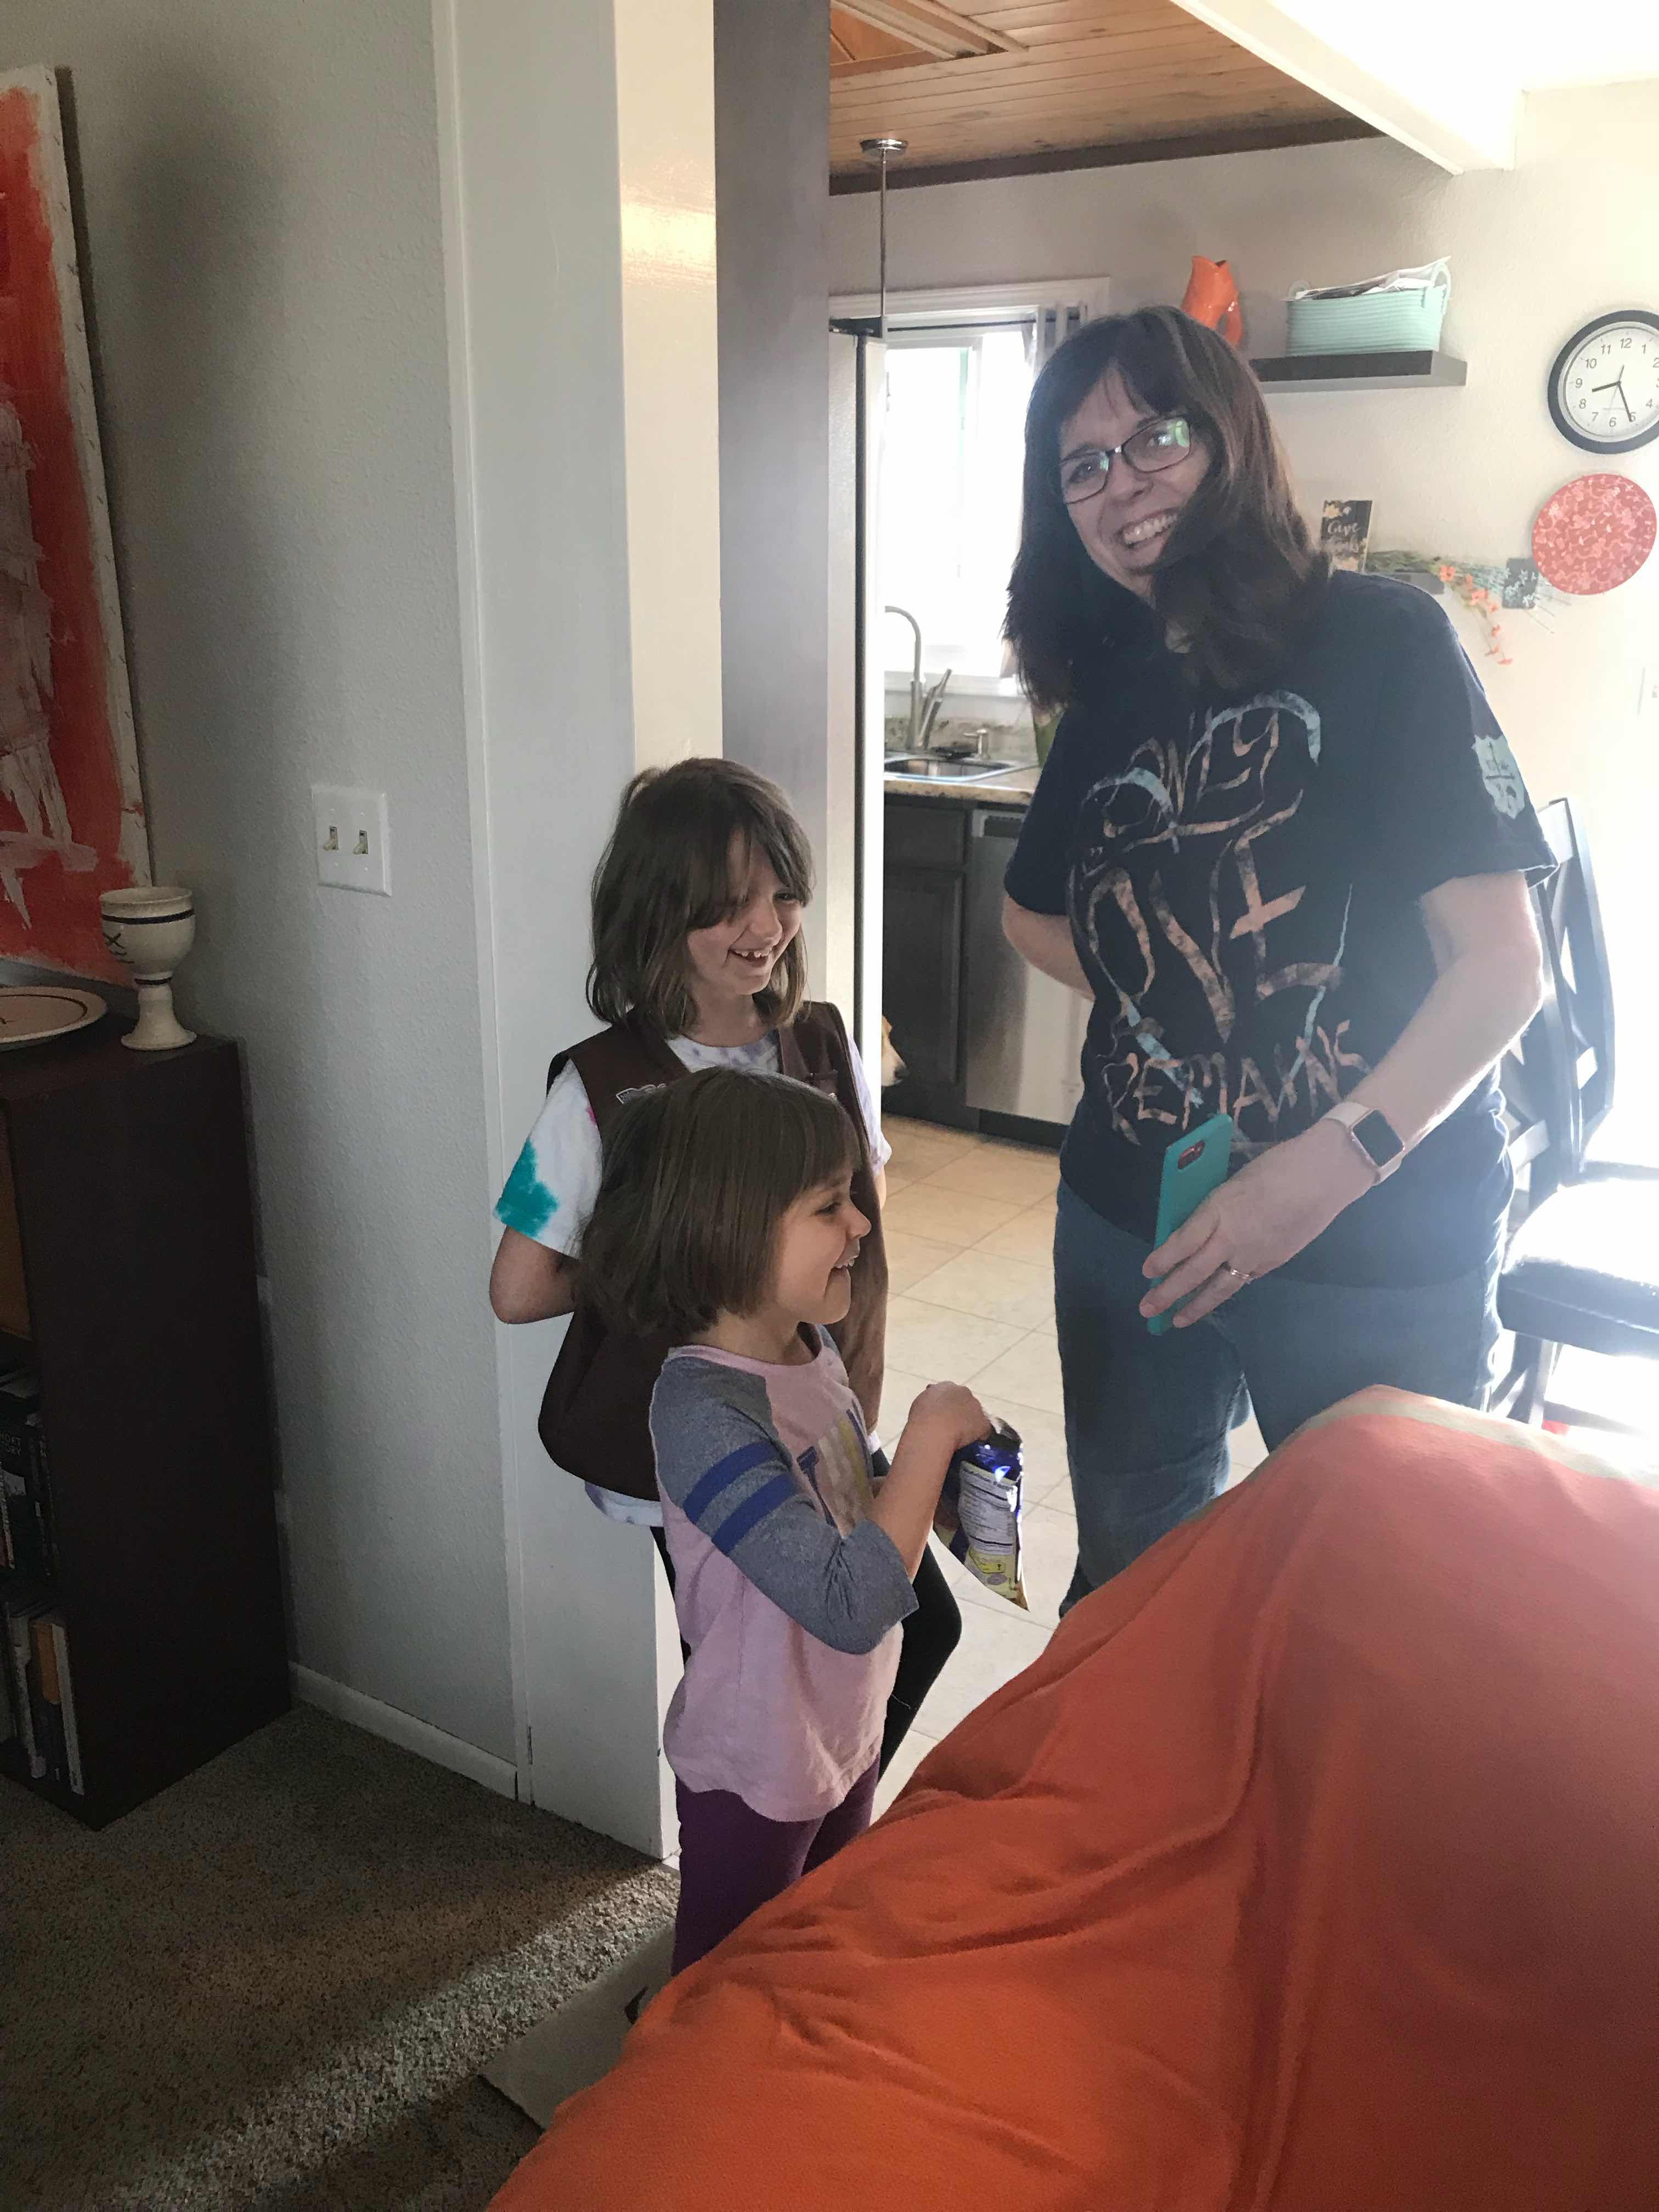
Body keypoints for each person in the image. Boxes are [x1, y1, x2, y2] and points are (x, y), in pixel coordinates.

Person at [1000, 307, 1554, 1609]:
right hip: (1135, 1220)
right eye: (1081, 465)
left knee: (1378, 1605)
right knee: (1137, 1583)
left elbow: (1501, 969)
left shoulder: (1384, 640)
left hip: (1376, 1236)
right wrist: (1181, 997)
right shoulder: (1112, 683)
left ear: (1232, 439)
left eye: (1156, 438)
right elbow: (1031, 914)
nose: (1120, 484)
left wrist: (1327, 1164)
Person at [488, 758, 961, 1765]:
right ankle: (773, 1840)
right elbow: (519, 1288)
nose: (765, 926)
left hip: (820, 1415)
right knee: (761, 1684)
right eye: (729, 903)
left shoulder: (823, 1046)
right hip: (702, 1447)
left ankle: (831, 1819)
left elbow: (864, 1210)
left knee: (910, 1631)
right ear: (658, 909)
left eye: (783, 895)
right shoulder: (604, 1087)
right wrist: (691, 1251)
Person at [579, 1067, 990, 1971]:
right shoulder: (703, 1412)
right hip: (757, 1761)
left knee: (812, 1938)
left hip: (841, 1721)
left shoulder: (811, 1349)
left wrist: (938, 1486)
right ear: (728, 1231)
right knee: (725, 1976)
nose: (862, 1224)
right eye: (829, 1206)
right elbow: (849, 1604)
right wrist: (928, 1430)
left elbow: (850, 1500)